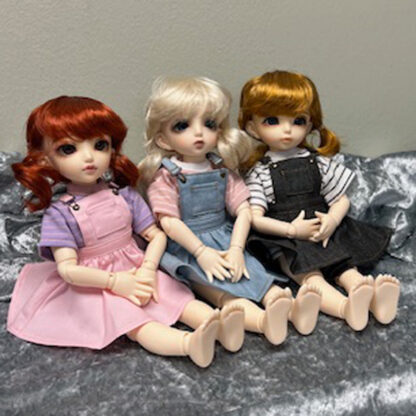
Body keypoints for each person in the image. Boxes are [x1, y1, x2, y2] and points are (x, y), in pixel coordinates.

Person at [7, 95, 245, 368]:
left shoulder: (124, 195)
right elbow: (68, 270)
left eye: (100, 145)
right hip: (96, 283)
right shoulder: (60, 213)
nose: (89, 157)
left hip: (137, 266)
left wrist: (148, 269)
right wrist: (114, 282)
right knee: (136, 323)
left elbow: (156, 235)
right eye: (68, 149)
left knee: (179, 300)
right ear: (46, 159)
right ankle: (188, 345)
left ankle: (220, 326)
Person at [139, 77, 322, 345]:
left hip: (226, 238)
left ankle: (291, 310)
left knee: (257, 276)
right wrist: (201, 253)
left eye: (209, 124)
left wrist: (236, 248)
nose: (199, 133)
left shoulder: (221, 169)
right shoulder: (166, 177)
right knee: (217, 289)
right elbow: (169, 223)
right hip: (187, 246)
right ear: (163, 139)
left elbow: (243, 210)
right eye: (182, 126)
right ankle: (262, 323)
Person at [239, 70, 400, 330]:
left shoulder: (318, 162)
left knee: (345, 267)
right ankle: (346, 308)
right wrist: (292, 230)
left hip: (323, 229)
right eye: (272, 121)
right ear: (251, 127)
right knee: (310, 277)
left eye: (298, 121)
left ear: (310, 124)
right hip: (286, 238)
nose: (287, 130)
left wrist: (332, 220)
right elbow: (255, 218)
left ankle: (372, 300)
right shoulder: (260, 172)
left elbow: (341, 200)